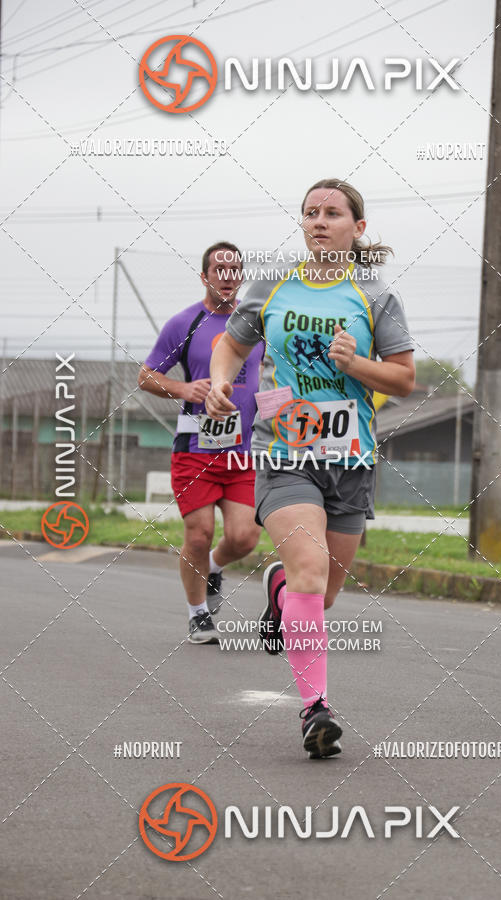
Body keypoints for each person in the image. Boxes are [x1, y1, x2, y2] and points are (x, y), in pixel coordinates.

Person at [206, 181, 415, 757]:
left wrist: (357, 363)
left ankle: (276, 589)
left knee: (319, 595)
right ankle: (315, 708)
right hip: (284, 452)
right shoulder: (274, 284)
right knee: (308, 573)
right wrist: (223, 381)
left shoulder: (374, 295)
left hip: (351, 460)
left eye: (332, 213)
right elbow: (231, 344)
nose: (319, 221)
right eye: (310, 213)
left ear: (358, 227)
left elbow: (403, 378)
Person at [138, 242, 263, 644]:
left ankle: (211, 566)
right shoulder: (184, 323)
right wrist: (185, 388)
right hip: (195, 449)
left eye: (233, 269)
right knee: (198, 532)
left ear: (240, 276)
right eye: (218, 268)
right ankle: (198, 615)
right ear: (205, 276)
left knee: (245, 537)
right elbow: (146, 376)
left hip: (244, 453)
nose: (226, 275)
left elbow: (275, 378)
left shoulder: (257, 321)